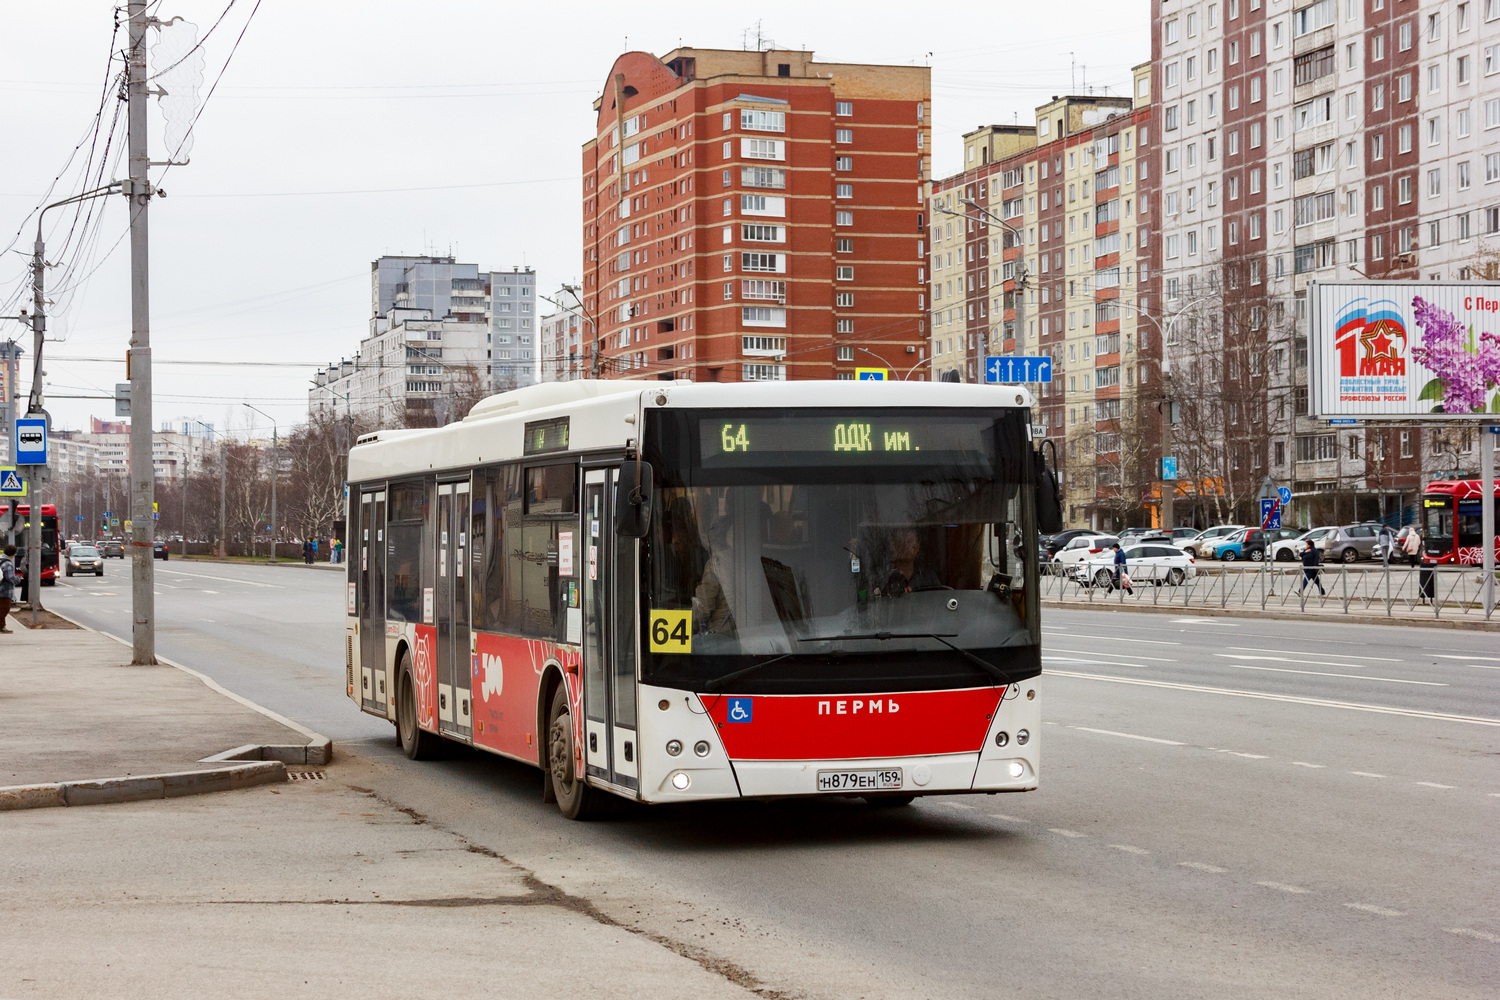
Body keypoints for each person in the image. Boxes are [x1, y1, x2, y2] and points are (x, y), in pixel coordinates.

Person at [0, 544, 17, 633]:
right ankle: (1, 627)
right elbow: (10, 578)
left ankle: (2, 627)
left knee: (1, 609)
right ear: (13, 554)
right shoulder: (8, 564)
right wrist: (18, 579)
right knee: (5, 609)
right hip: (5, 590)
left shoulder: (0, 559)